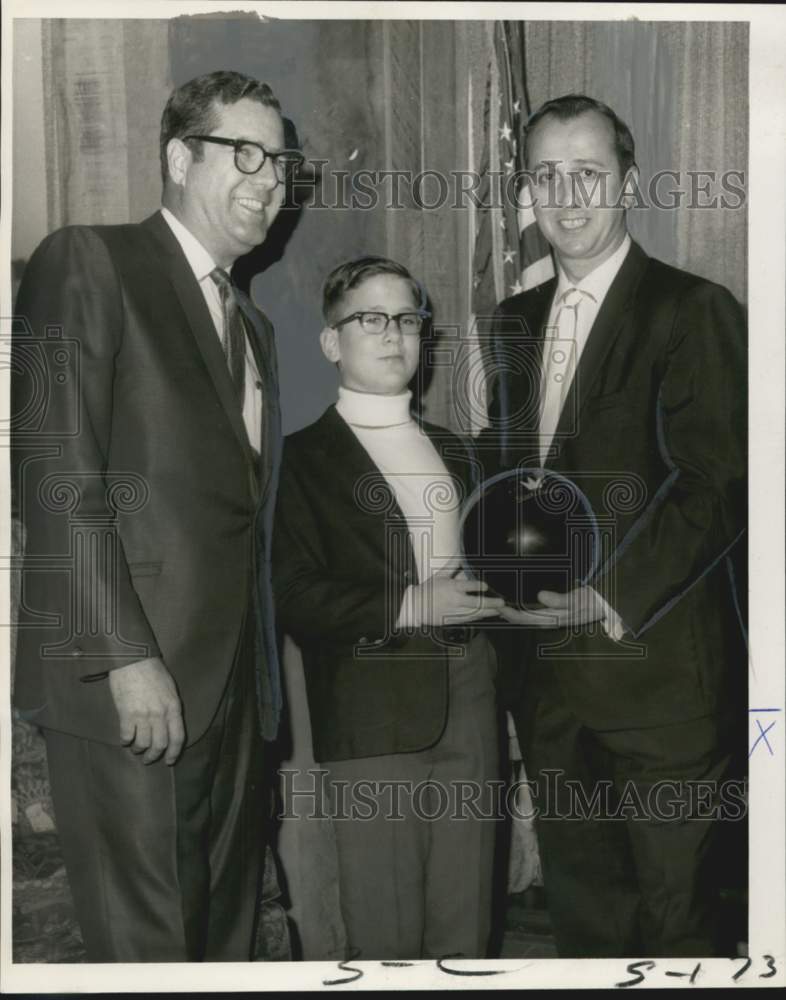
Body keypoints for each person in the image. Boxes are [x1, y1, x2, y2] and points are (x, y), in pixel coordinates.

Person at [11, 70, 303, 962]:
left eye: (282, 163)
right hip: (127, 684)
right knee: (147, 950)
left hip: (232, 697)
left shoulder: (253, 326)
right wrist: (127, 655)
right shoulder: (89, 260)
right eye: (244, 152)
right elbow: (55, 471)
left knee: (218, 942)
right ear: (180, 156)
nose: (269, 180)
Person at [486, 94, 747, 957]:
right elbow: (513, 481)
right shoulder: (513, 322)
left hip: (660, 682)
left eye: (588, 173)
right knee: (588, 927)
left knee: (681, 929)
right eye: (547, 176)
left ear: (628, 183)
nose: (567, 196)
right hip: (550, 685)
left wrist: (601, 598)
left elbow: (715, 485)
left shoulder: (691, 309)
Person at [272, 256, 505, 960]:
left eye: (407, 319)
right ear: (331, 342)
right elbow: (292, 594)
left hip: (471, 697)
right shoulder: (297, 461)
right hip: (371, 715)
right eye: (370, 318)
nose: (393, 334)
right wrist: (413, 602)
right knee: (386, 935)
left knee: (466, 926)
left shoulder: (458, 453)